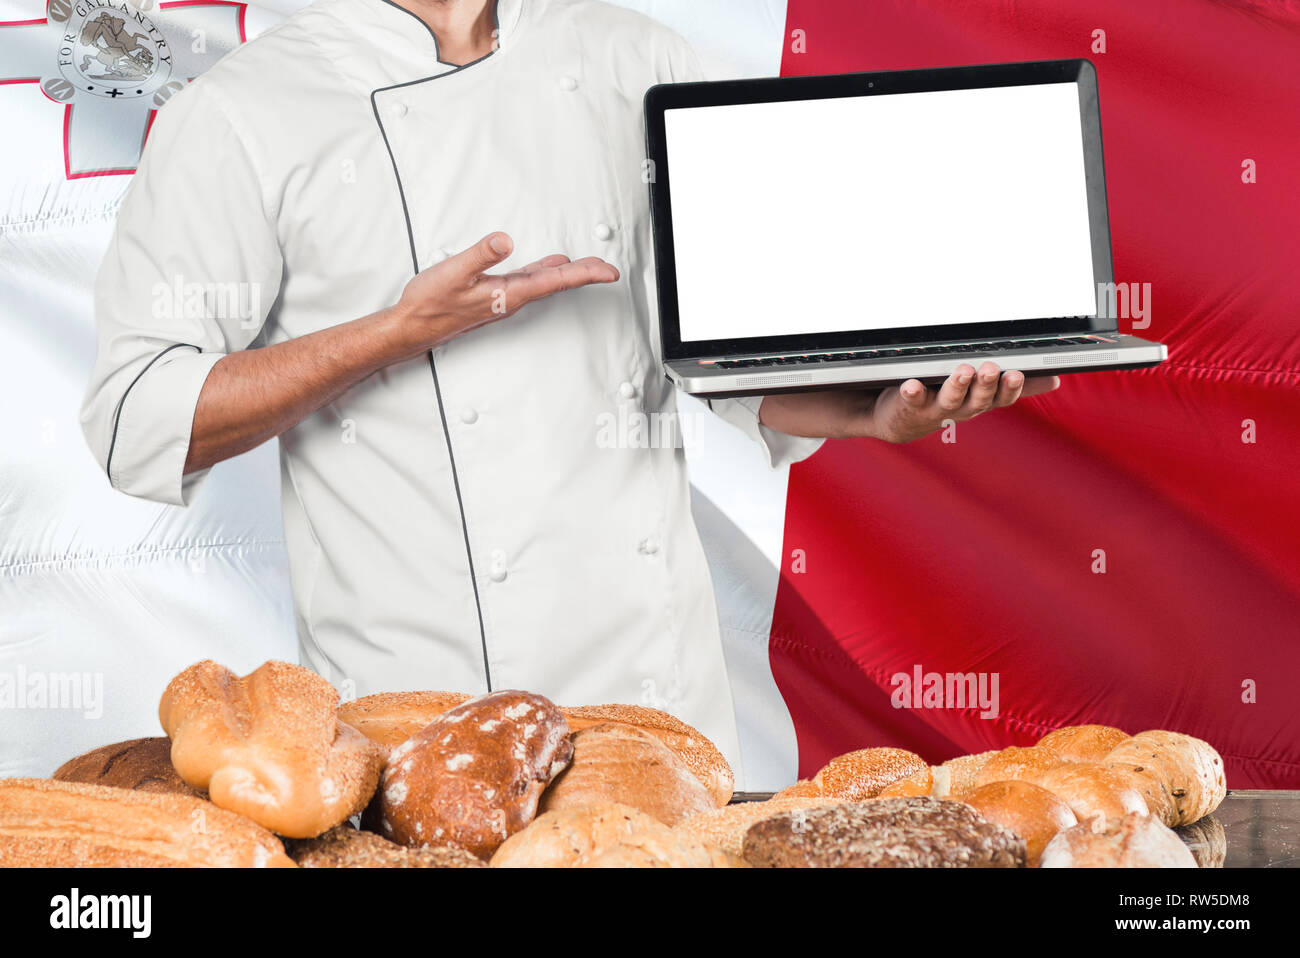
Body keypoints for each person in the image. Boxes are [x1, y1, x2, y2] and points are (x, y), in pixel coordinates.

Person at [81, 0, 1058, 778]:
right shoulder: (248, 109)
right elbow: (140, 417)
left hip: (656, 716)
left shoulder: (636, 58)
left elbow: (719, 354)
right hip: (415, 731)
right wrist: (393, 333)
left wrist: (875, 411)